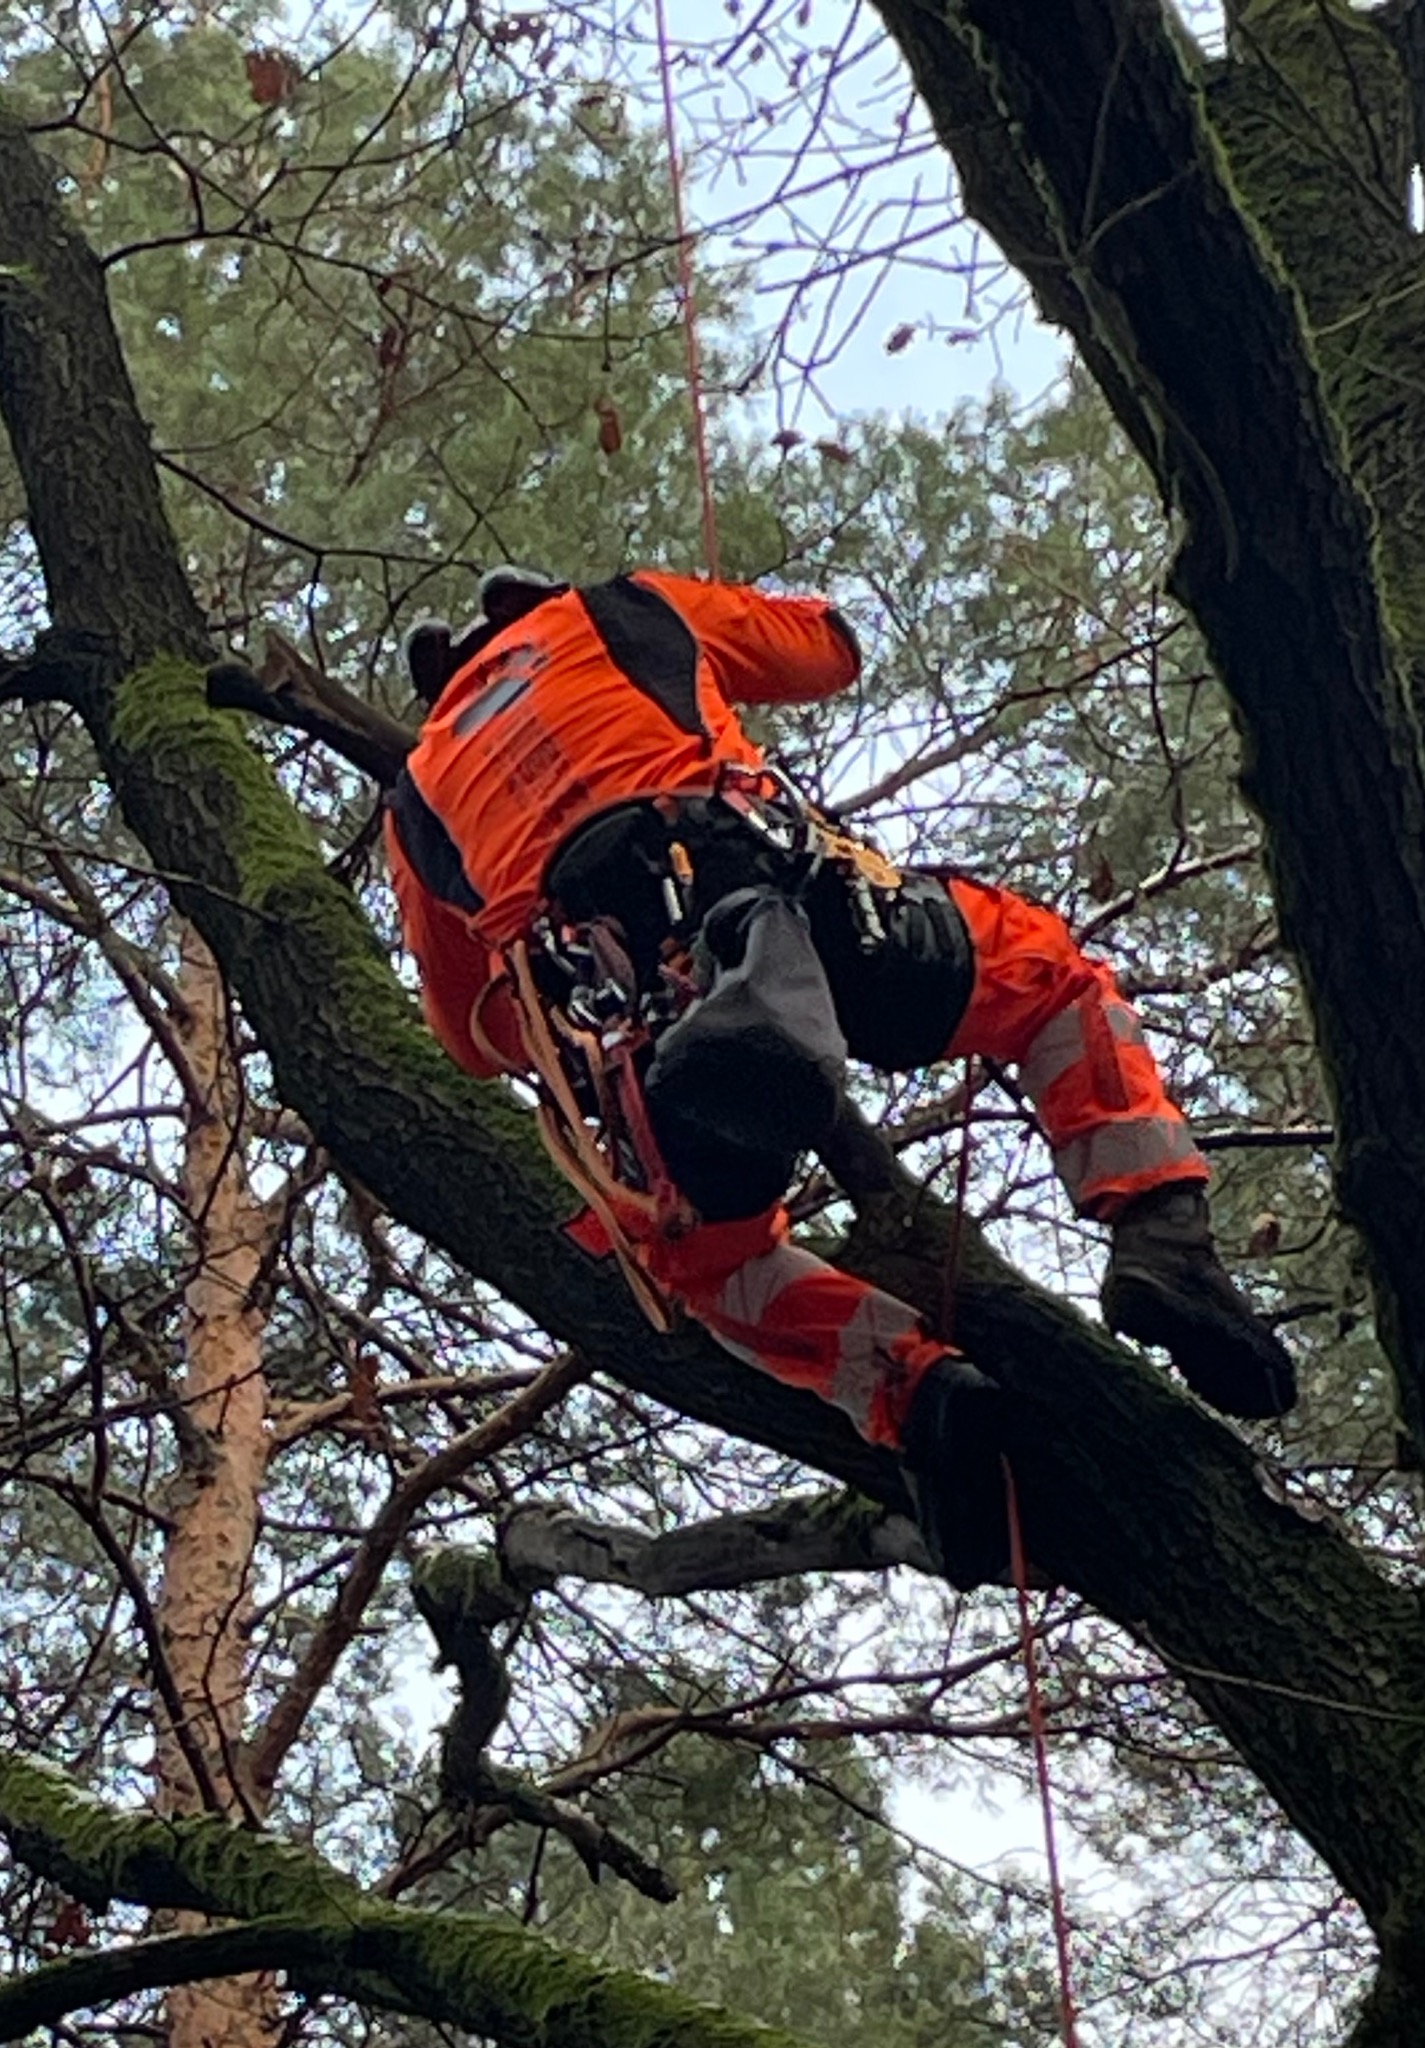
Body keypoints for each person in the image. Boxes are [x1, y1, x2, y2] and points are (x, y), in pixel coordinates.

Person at [386, 566, 1296, 1589]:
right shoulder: (618, 609)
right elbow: (827, 651)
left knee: (706, 1261)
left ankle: (914, 1390)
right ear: (527, 607)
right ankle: (1161, 1234)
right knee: (1050, 984)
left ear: (441, 684)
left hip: (643, 1022)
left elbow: (474, 1039)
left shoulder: (417, 792)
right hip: (807, 908)